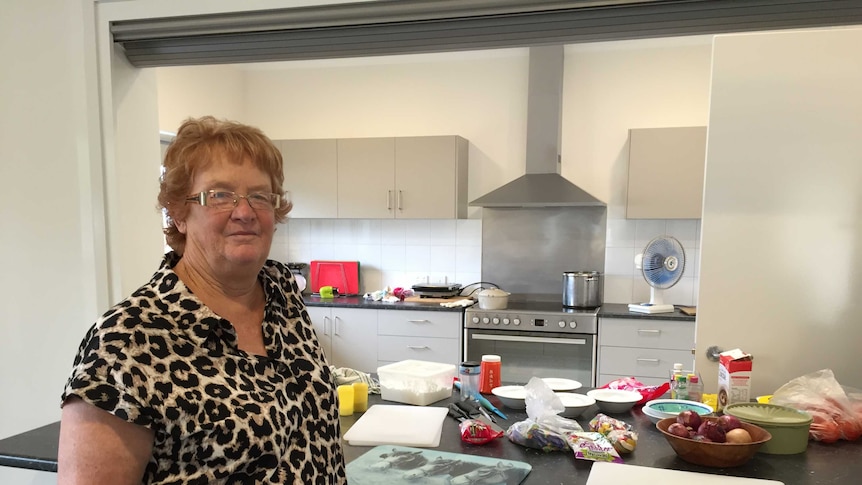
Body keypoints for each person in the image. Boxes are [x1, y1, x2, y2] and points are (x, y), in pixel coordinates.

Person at [58, 116, 347, 484]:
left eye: (259, 195)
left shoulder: (283, 301)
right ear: (179, 212)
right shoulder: (127, 340)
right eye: (219, 195)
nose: (244, 212)